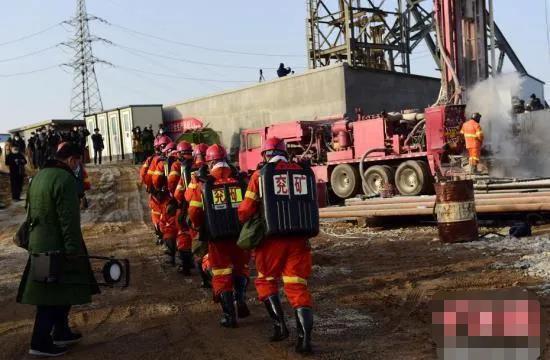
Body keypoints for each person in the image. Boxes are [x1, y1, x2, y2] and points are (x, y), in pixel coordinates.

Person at [16, 142, 99, 357]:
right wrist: (72, 248)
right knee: (50, 296)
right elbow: (68, 219)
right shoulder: (65, 179)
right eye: (78, 161)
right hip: (58, 244)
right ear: (72, 159)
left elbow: (29, 211)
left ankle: (61, 331)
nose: (78, 166)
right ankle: (40, 342)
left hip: (39, 242)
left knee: (61, 290)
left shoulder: (40, 175)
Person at [238, 137, 316, 354]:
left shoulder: (260, 176)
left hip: (271, 242)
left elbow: (245, 210)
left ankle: (280, 326)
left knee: (265, 281)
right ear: (284, 152)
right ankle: (305, 339)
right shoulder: (303, 171)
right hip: (300, 240)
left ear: (265, 154)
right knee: (297, 286)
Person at [187, 144, 250, 328]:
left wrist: (199, 227)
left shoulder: (205, 183)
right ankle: (240, 298)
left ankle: (229, 317)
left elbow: (194, 211)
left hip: (217, 238)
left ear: (210, 161)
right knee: (241, 268)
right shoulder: (240, 179)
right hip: (240, 235)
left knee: (222, 274)